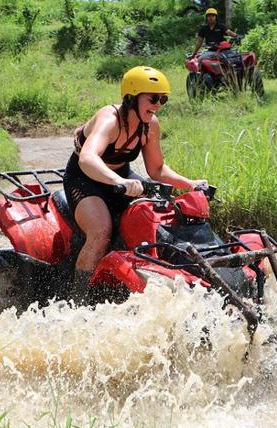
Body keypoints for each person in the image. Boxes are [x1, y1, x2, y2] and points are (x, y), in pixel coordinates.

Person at [63, 66, 207, 303]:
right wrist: (118, 181)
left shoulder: (150, 125)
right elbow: (87, 158)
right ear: (131, 97)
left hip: (122, 179)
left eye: (163, 99)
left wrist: (190, 184)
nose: (158, 104)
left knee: (160, 214)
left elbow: (157, 169)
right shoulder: (109, 119)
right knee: (100, 231)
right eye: (153, 98)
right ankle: (77, 298)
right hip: (85, 179)